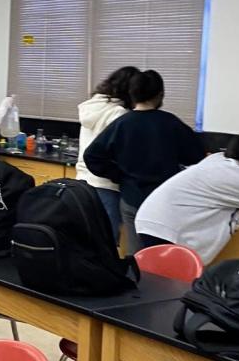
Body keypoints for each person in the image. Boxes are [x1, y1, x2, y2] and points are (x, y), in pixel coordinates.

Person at [83, 70, 205, 253]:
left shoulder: (122, 123)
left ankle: (136, 281)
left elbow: (92, 156)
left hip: (131, 198)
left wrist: (119, 176)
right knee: (162, 254)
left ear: (132, 94)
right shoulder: (170, 123)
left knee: (136, 255)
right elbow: (196, 155)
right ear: (160, 95)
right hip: (163, 201)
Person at [135, 132, 239, 263]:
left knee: (169, 280)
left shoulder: (222, 162)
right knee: (170, 281)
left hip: (156, 220)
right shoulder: (236, 177)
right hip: (163, 229)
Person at [75, 66, 141, 241]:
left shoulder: (93, 107)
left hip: (83, 181)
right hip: (106, 185)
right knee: (107, 241)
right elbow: (121, 152)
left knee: (86, 237)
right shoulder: (119, 114)